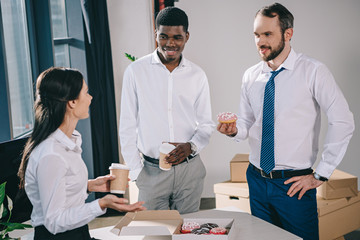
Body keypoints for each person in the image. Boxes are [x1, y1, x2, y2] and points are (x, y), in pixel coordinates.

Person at [217, 3, 354, 240]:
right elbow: (247, 123)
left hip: (293, 184)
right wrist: (233, 131)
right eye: (257, 35)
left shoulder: (313, 72)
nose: (260, 41)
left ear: (288, 34)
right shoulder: (251, 76)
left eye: (268, 34)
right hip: (257, 179)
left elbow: (343, 121)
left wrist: (321, 174)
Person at [18, 67, 145, 240]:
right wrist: (100, 203)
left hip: (78, 233)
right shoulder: (51, 155)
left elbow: (61, 187)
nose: (90, 98)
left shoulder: (69, 142)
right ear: (72, 102)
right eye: (86, 93)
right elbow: (54, 222)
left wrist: (90, 186)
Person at [119, 7, 215, 214]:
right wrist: (137, 173)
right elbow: (127, 126)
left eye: (177, 37)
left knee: (188, 231)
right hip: (151, 172)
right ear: (156, 34)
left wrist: (192, 146)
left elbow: (206, 124)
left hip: (190, 171)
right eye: (163, 36)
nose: (170, 43)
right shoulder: (136, 72)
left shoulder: (197, 75)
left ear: (186, 37)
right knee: (154, 233)